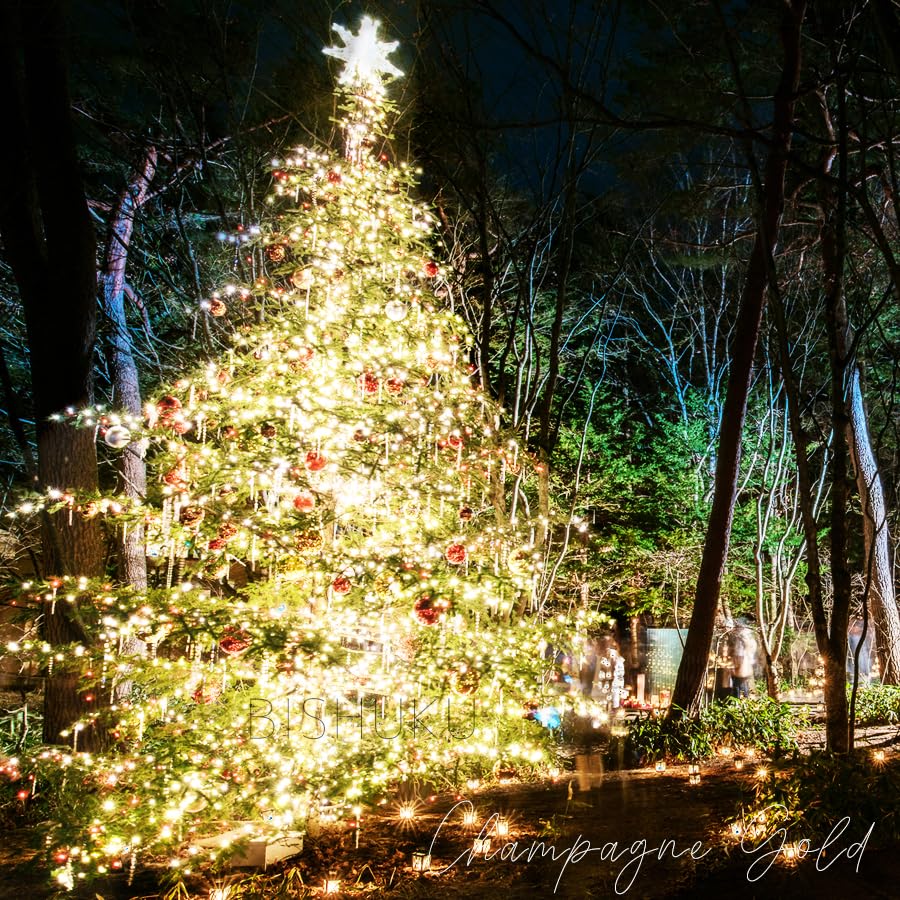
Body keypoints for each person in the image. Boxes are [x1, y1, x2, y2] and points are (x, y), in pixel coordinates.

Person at [731, 624, 758, 699]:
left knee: (739, 683)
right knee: (740, 683)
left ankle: (741, 699)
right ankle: (743, 698)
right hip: (743, 661)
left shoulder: (744, 639)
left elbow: (741, 652)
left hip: (743, 662)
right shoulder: (747, 639)